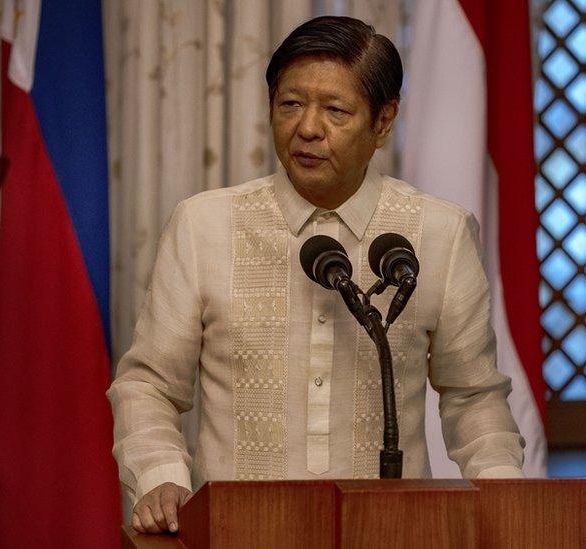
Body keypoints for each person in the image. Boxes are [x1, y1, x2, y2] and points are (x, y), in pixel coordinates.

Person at [108, 15, 525, 535]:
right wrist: (159, 475)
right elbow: (149, 384)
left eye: (335, 110)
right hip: (238, 534)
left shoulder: (439, 233)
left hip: (393, 535)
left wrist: (507, 495)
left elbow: (473, 395)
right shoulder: (203, 225)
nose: (307, 128)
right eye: (290, 104)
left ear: (383, 120)